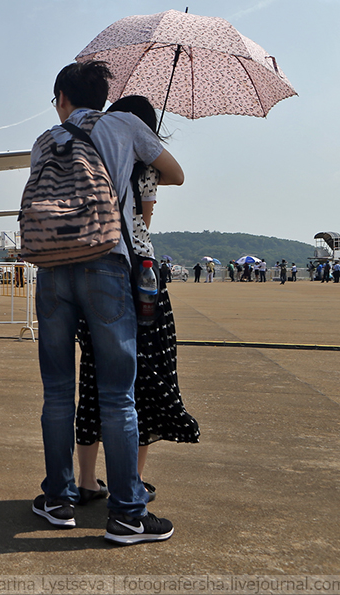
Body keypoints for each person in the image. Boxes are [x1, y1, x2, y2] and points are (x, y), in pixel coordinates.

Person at [28, 61, 183, 544]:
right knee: (118, 393)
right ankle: (127, 515)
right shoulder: (125, 125)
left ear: (61, 98)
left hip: (52, 269)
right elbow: (175, 174)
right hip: (106, 261)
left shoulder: (44, 141)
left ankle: (58, 499)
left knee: (58, 391)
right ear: (101, 95)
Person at [73, 94, 200, 520]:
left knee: (93, 372)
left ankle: (87, 479)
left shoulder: (93, 160)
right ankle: (132, 481)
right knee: (141, 378)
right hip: (139, 277)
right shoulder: (145, 170)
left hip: (93, 269)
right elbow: (172, 184)